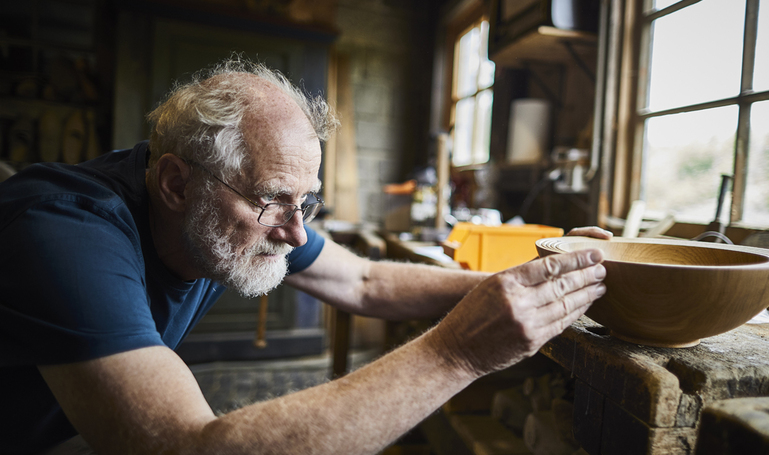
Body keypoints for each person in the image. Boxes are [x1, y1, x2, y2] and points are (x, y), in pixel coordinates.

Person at [0, 58, 611, 454]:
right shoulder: (65, 234)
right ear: (177, 184)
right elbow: (188, 449)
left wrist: (519, 281)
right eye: (271, 201)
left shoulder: (221, 205)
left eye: (306, 202)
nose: (294, 234)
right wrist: (459, 352)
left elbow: (366, 281)